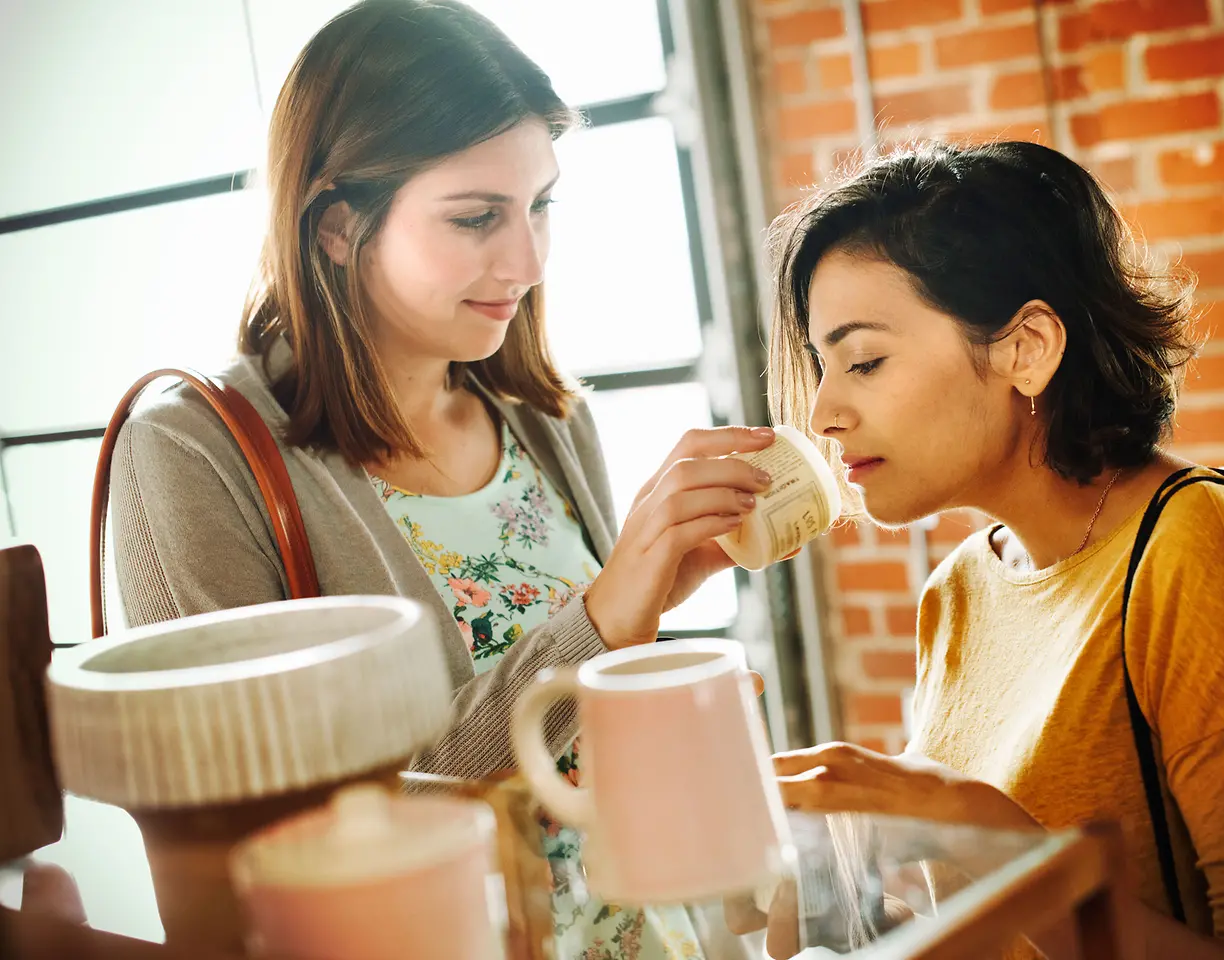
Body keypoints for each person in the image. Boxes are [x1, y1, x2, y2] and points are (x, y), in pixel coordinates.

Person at [109, 1, 772, 956]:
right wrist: (600, 619)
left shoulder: (547, 421)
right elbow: (280, 836)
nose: (529, 260)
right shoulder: (193, 454)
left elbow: (583, 760)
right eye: (476, 217)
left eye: (541, 204)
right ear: (338, 226)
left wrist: (662, 662)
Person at [760, 140, 1224, 959]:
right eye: (820, 365)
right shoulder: (960, 593)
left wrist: (986, 840)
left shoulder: (1211, 554)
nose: (824, 412)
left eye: (864, 361)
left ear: (1027, 348)